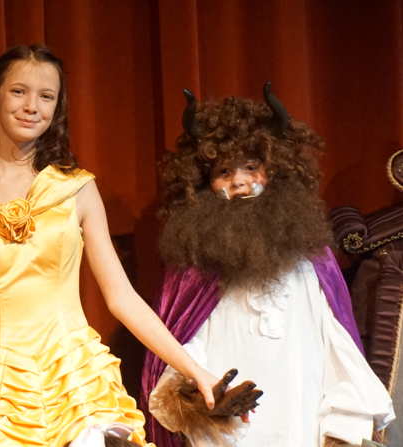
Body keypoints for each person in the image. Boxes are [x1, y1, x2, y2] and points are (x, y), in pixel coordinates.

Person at [0, 44, 221, 447]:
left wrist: (194, 370)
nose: (32, 107)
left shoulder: (75, 189)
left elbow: (122, 297)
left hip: (74, 382)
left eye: (46, 96)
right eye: (19, 92)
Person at [141, 85, 395, 447]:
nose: (239, 182)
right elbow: (182, 352)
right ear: (203, 184)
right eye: (224, 171)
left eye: (251, 167)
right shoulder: (195, 268)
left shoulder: (311, 260)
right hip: (227, 435)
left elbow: (339, 352)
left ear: (275, 171)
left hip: (302, 425)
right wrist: (202, 401)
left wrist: (341, 432)